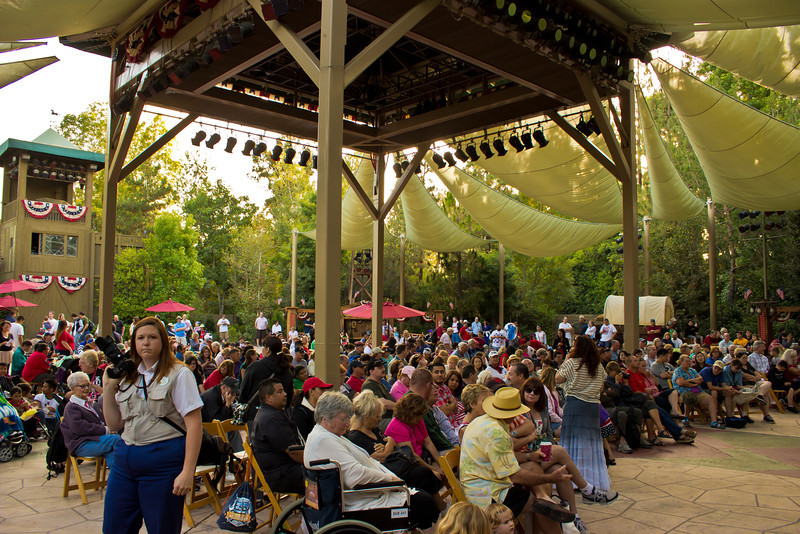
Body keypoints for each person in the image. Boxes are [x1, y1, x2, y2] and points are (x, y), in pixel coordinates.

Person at [101, 317, 204, 534]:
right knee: (114, 527)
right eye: (140, 338)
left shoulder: (179, 373)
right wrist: (108, 387)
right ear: (133, 343)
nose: (145, 343)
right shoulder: (128, 374)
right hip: (124, 460)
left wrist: (187, 471)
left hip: (162, 462)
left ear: (163, 342)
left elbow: (194, 424)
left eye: (152, 337)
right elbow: (114, 423)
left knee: (161, 527)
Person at [304, 391, 440, 530]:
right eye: (343, 419)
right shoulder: (325, 440)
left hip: (359, 492)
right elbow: (355, 475)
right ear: (326, 418)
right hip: (358, 499)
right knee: (423, 502)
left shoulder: (328, 435)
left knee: (421, 494)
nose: (347, 423)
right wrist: (390, 479)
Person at [460, 387, 575, 532]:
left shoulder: (482, 421)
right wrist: (549, 478)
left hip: (481, 484)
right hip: (486, 494)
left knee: (539, 499)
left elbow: (506, 465)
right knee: (539, 504)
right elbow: (515, 476)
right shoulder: (496, 432)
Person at [556, 335, 614, 492]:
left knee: (572, 441)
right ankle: (592, 479)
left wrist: (566, 360)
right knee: (591, 443)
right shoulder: (597, 366)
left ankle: (573, 480)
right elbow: (601, 388)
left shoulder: (571, 363)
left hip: (575, 404)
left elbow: (558, 379)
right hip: (593, 406)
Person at [249, 378, 305, 495]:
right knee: (327, 476)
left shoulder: (266, 413)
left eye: (283, 390)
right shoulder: (272, 418)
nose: (285, 394)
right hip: (280, 476)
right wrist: (313, 460)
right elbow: (293, 452)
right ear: (268, 397)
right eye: (280, 392)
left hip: (280, 471)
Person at [61, 371, 121, 468]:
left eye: (88, 385)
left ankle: (117, 478)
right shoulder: (72, 407)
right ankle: (121, 476)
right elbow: (80, 428)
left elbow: (102, 419)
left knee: (113, 451)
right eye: (82, 386)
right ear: (72, 388)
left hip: (95, 439)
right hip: (81, 444)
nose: (86, 389)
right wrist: (105, 430)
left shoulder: (90, 403)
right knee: (116, 440)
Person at [239, 336, 294, 422]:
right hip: (279, 416)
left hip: (256, 415)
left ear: (268, 349)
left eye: (263, 347)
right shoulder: (286, 370)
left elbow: (244, 392)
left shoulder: (255, 367)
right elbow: (289, 395)